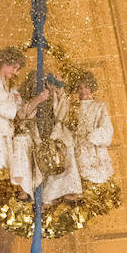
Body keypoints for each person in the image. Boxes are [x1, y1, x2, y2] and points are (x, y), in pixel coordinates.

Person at [0, 46, 48, 196]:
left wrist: (36, 100)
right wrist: (11, 108)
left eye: (17, 69)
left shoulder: (8, 86)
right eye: (14, 68)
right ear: (4, 63)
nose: (15, 72)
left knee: (0, 167)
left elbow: (20, 111)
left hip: (3, 130)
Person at [11, 70, 82, 204]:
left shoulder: (53, 96)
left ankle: (66, 190)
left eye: (44, 83)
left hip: (53, 133)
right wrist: (38, 100)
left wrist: (60, 88)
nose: (40, 86)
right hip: (32, 134)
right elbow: (21, 115)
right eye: (37, 83)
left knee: (66, 144)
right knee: (21, 143)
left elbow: (63, 112)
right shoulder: (24, 98)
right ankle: (24, 187)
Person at [73, 70, 114, 185]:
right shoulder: (73, 108)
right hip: (77, 146)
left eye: (86, 87)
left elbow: (106, 128)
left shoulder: (99, 107)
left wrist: (92, 136)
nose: (82, 91)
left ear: (91, 88)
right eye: (80, 87)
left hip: (93, 148)